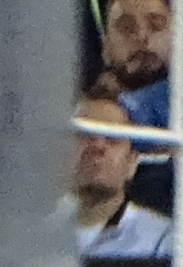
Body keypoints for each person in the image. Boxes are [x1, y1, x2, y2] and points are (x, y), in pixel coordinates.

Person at [67, 87, 176, 254]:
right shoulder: (29, 234)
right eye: (85, 134)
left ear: (132, 162)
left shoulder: (162, 239)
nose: (98, 146)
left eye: (113, 138)